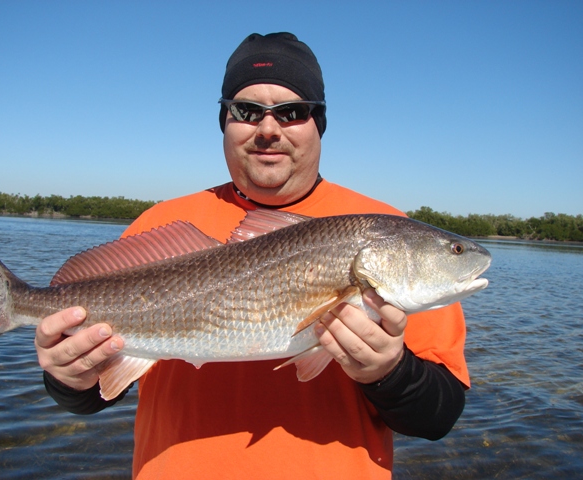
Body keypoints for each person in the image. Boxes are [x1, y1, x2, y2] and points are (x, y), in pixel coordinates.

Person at [36, 32, 469, 479]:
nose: (268, 129)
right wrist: (69, 379)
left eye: (292, 112)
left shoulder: (389, 233)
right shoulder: (158, 225)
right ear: (224, 121)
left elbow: (439, 417)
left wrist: (391, 372)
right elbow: (97, 390)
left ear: (318, 123)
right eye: (246, 111)